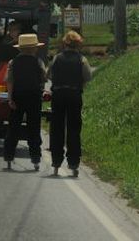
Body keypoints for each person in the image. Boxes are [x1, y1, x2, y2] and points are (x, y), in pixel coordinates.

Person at [48, 30, 92, 177]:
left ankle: (56, 161)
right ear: (78, 44)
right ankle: (73, 162)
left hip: (59, 94)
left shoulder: (57, 58)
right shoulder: (82, 60)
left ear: (65, 43)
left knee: (57, 128)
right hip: (74, 94)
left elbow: (49, 75)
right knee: (74, 129)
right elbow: (87, 76)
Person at [3, 33, 47, 171]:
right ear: (34, 48)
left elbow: (10, 81)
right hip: (34, 98)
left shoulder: (13, 62)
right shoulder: (38, 62)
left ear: (20, 49)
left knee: (13, 127)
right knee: (34, 128)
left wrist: (10, 98)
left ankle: (9, 156)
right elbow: (43, 79)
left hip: (18, 97)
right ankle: (35, 158)